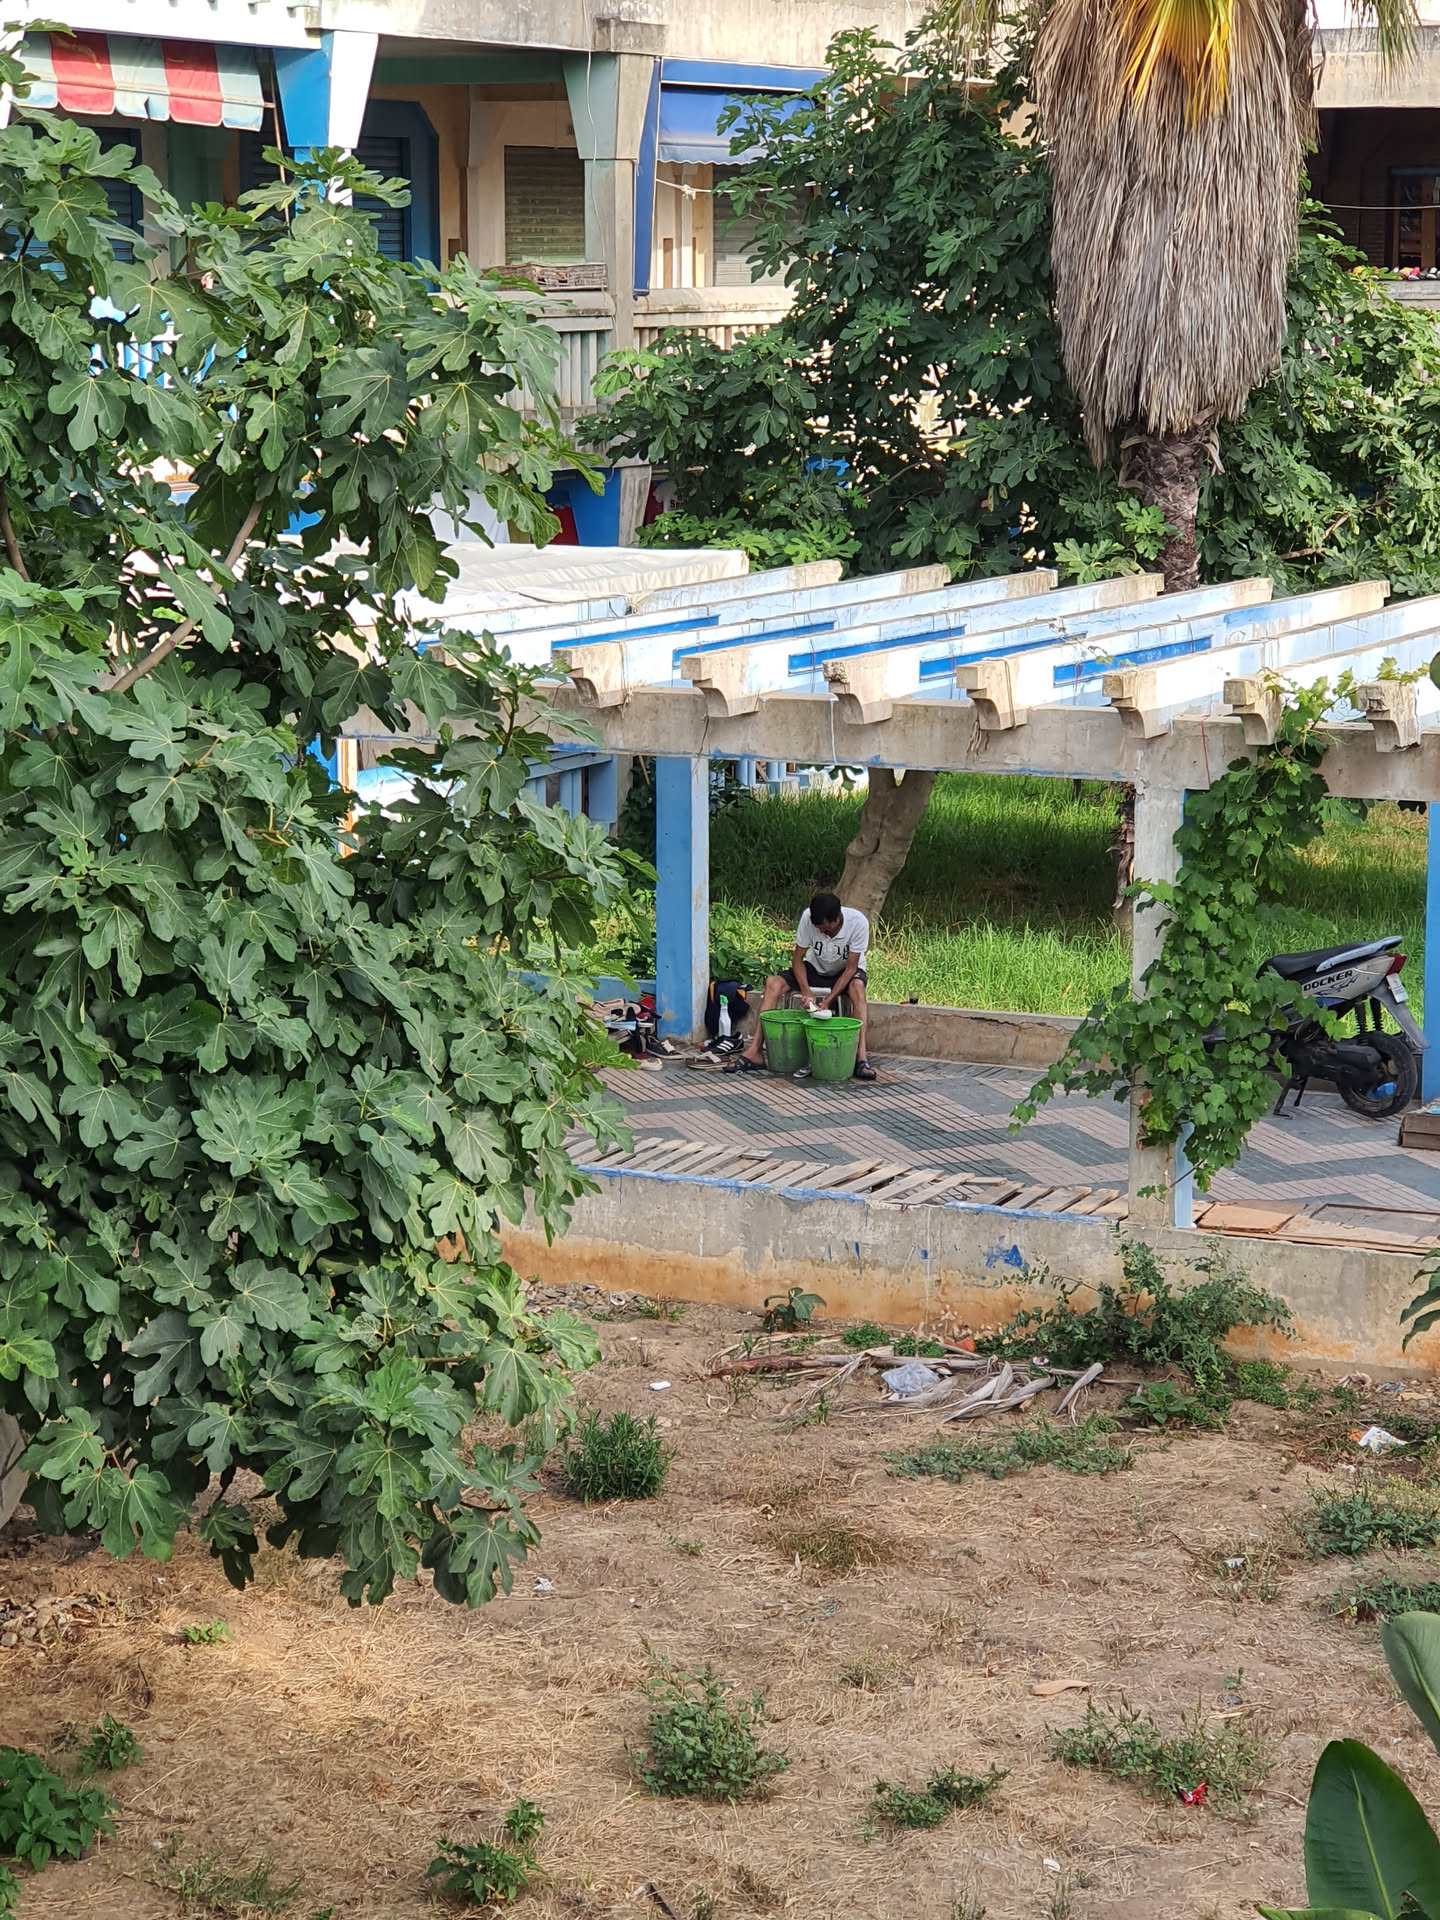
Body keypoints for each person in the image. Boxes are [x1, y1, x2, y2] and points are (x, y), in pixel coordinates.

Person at [727, 891, 876, 1080]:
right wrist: (806, 991)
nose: (823, 933)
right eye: (819, 929)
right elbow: (797, 959)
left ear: (838, 918)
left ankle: (860, 1059)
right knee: (772, 983)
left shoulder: (858, 923)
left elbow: (850, 969)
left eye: (827, 930)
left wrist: (828, 1000)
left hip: (844, 972)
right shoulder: (808, 918)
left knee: (858, 989)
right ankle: (755, 1051)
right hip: (815, 968)